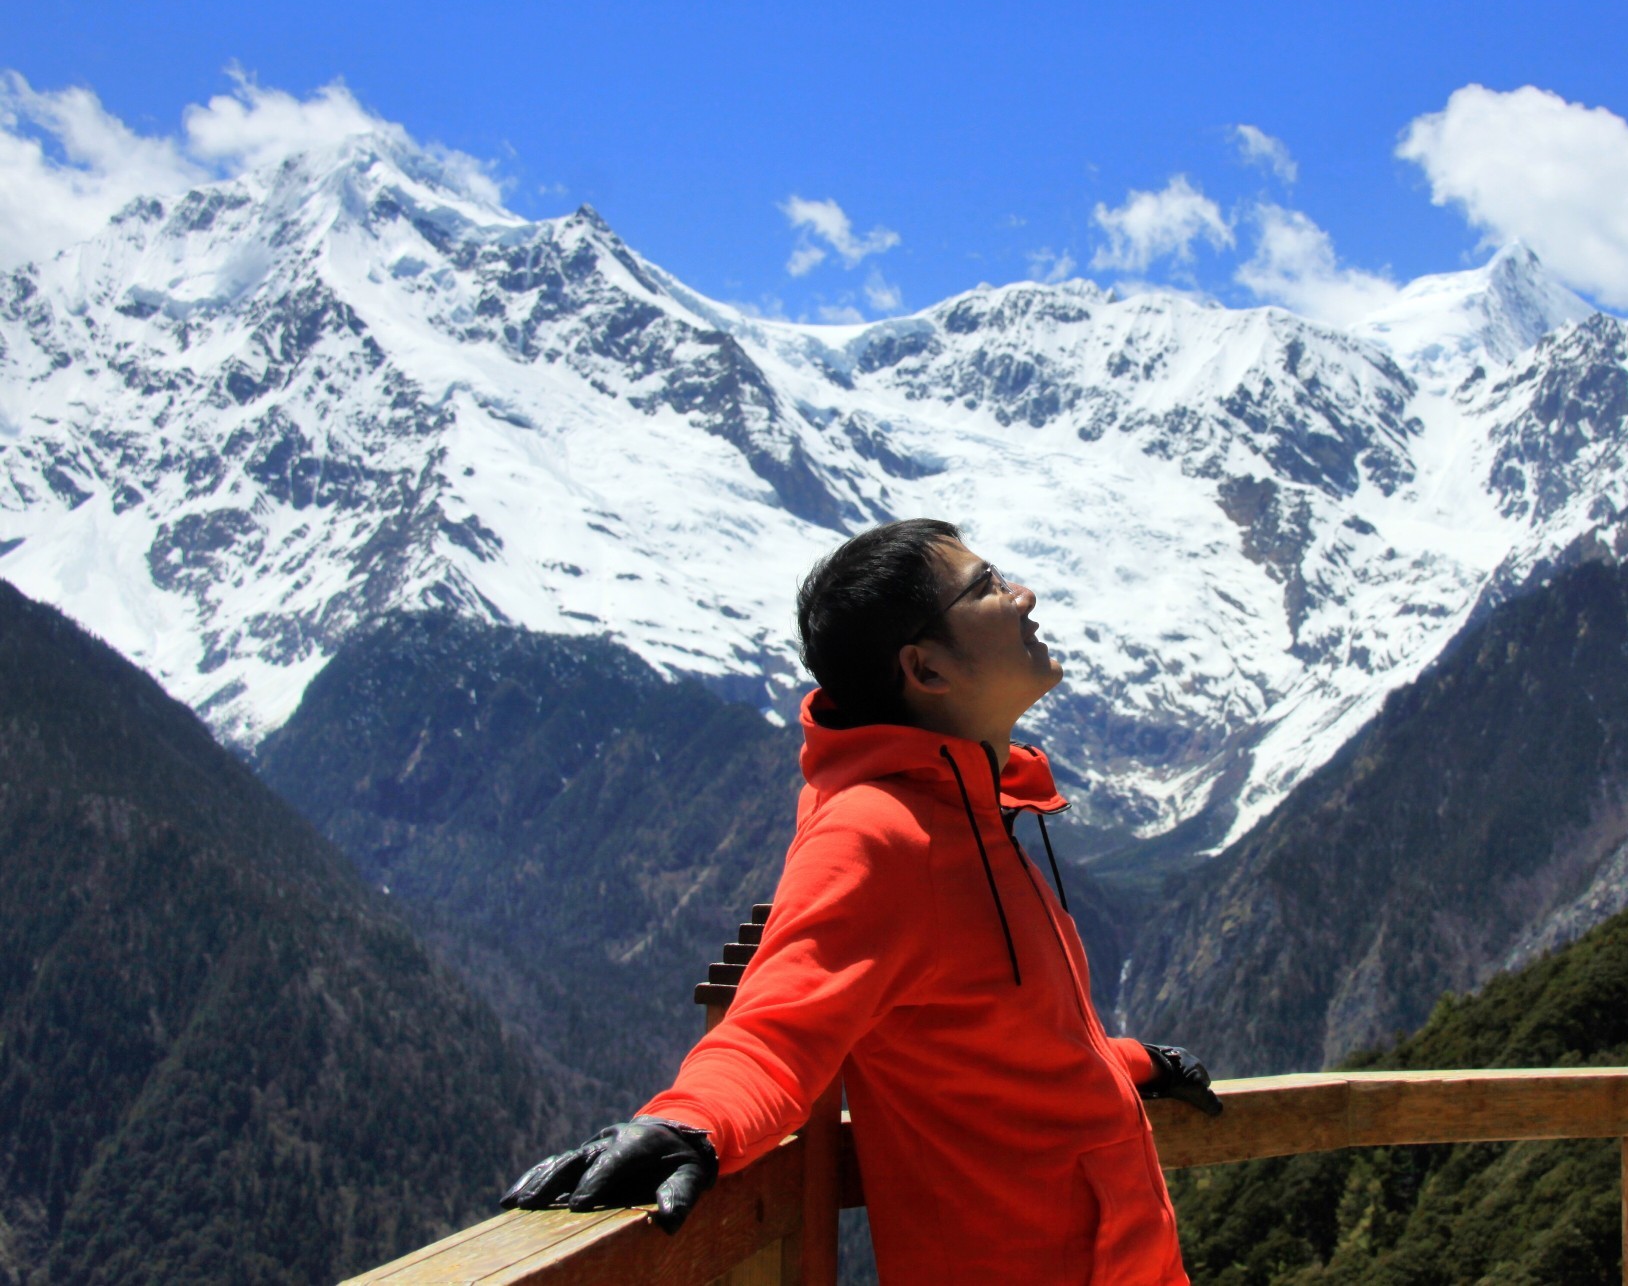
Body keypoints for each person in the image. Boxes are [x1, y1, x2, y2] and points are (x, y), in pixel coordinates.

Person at [501, 518, 1220, 1284]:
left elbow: (988, 1043)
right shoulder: (874, 833)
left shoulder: (975, 814)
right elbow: (775, 1030)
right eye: (987, 587)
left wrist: (1128, 1063)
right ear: (926, 668)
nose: (1023, 596)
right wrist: (692, 1124)